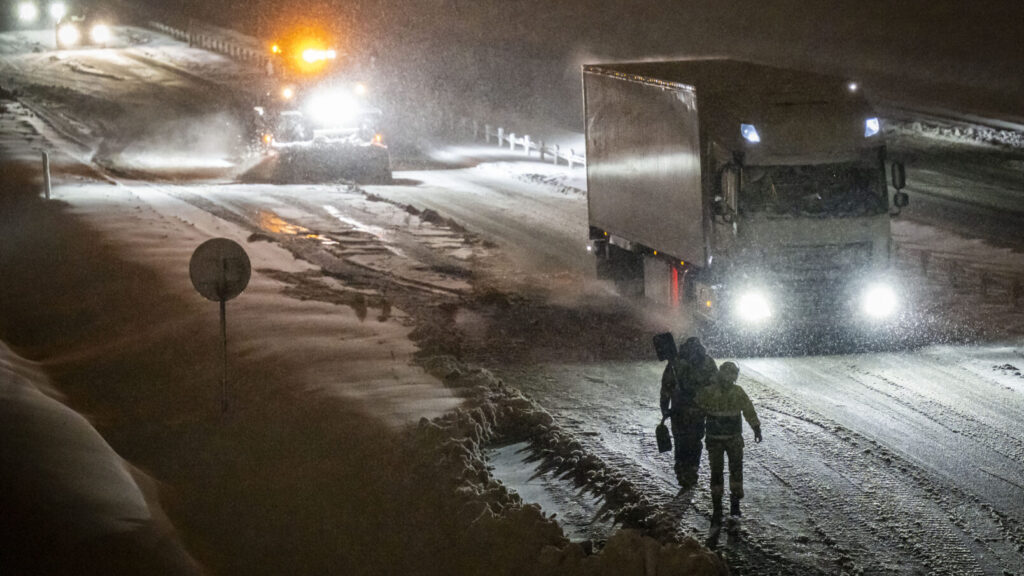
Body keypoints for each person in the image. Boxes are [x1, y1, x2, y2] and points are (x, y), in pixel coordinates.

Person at [696, 361, 762, 531]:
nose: (730, 378)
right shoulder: (716, 391)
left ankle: (727, 506)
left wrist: (756, 427)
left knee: (728, 472)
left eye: (733, 375)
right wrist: (756, 428)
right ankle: (724, 506)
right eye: (729, 374)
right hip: (723, 440)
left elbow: (748, 410)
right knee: (724, 472)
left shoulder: (724, 391)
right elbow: (697, 411)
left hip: (725, 439)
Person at [660, 337, 718, 489]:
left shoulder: (675, 363)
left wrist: (665, 408)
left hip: (679, 410)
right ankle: (691, 469)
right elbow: (715, 386)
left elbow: (666, 387)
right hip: (698, 410)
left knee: (681, 441)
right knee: (695, 441)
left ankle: (682, 468)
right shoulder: (707, 362)